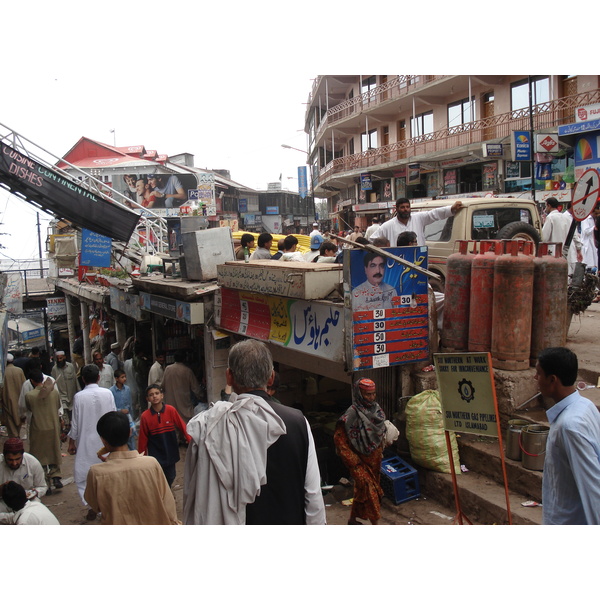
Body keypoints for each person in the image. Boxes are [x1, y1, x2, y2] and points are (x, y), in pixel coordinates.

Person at [183, 339, 326, 525]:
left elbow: (195, 495)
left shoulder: (209, 427)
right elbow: (313, 495)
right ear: (271, 377)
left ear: (229, 377)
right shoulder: (297, 422)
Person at [535, 347, 600, 524]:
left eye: (538, 374)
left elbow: (593, 487)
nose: (535, 379)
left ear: (552, 380)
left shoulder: (570, 426)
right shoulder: (585, 405)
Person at [84, 411, 180, 525]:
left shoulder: (96, 472)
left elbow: (95, 505)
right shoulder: (151, 464)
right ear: (130, 432)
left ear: (103, 439)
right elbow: (168, 503)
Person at [334, 378, 386, 525]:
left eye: (373, 394)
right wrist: (353, 462)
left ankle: (352, 519)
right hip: (358, 462)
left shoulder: (376, 410)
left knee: (362, 491)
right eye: (367, 394)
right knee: (370, 490)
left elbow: (380, 431)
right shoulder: (351, 414)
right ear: (359, 394)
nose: (371, 398)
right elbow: (339, 440)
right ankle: (376, 523)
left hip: (374, 462)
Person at [67, 364, 117, 520]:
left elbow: (74, 423)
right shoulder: (107, 393)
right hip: (106, 441)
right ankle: (106, 505)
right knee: (108, 474)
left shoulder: (79, 397)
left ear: (82, 379)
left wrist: (71, 442)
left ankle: (92, 505)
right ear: (99, 377)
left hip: (85, 442)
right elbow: (115, 416)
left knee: (84, 476)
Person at [138, 384, 191, 487]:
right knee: (158, 478)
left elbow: (182, 425)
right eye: (151, 395)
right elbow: (143, 438)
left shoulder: (171, 410)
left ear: (162, 395)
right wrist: (142, 456)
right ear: (147, 399)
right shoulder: (145, 416)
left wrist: (190, 439)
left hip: (170, 451)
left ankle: (166, 491)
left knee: (171, 475)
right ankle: (164, 495)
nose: (154, 396)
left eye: (157, 393)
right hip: (155, 453)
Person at [25, 370, 63, 492]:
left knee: (40, 455)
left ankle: (45, 482)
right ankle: (55, 475)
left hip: (38, 428)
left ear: (32, 381)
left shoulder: (29, 395)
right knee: (54, 451)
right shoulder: (54, 393)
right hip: (53, 426)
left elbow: (29, 409)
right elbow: (57, 406)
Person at [371, 197, 463, 247]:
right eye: (402, 207)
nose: (405, 210)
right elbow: (372, 240)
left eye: (407, 207)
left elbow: (433, 214)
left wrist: (451, 209)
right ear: (397, 209)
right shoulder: (388, 225)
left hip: (418, 259)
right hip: (397, 262)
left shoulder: (418, 218)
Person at [0, 438, 48, 523]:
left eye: (17, 459)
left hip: (27, 501)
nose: (14, 463)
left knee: (32, 515)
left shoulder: (33, 462)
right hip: (4, 501)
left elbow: (42, 486)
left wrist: (36, 492)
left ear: (22, 455)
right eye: (10, 460)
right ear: (4, 456)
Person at [541, 198, 582, 275]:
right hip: (567, 251)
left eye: (545, 206)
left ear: (549, 205)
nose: (545, 208)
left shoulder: (550, 218)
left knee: (555, 275)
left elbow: (544, 238)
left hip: (555, 252)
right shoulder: (567, 218)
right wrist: (579, 250)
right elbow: (575, 235)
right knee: (567, 275)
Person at [161, 350, 202, 422]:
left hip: (171, 405)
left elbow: (162, 386)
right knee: (185, 428)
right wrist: (201, 396)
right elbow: (196, 389)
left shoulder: (168, 369)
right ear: (184, 359)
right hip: (185, 406)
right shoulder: (187, 371)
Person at [51, 350, 80, 430]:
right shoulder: (54, 369)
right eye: (58, 359)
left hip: (71, 394)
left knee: (73, 414)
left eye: (61, 358)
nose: (60, 360)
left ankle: (72, 427)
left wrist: (79, 391)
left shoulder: (70, 366)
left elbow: (75, 380)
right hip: (61, 395)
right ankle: (67, 427)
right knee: (64, 413)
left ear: (64, 357)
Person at [109, 369, 136, 450]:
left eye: (125, 377)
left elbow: (130, 404)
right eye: (122, 377)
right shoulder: (111, 391)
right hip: (118, 417)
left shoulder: (127, 389)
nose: (124, 379)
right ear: (116, 379)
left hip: (128, 417)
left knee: (131, 436)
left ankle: (132, 453)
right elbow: (111, 406)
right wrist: (120, 410)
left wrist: (131, 417)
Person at [1, 354, 26, 438]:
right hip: (19, 402)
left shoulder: (3, 373)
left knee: (11, 425)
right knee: (19, 421)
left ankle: (15, 441)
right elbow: (24, 385)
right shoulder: (19, 371)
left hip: (7, 402)